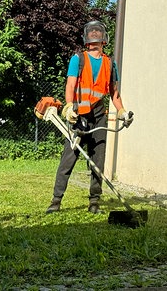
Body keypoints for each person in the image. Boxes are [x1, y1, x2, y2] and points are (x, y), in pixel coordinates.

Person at [46, 20, 133, 214]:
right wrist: (69, 107)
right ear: (88, 39)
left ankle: (94, 202)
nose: (95, 36)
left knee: (98, 161)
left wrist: (122, 111)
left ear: (102, 39)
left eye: (97, 33)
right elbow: (70, 85)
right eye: (92, 33)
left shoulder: (110, 64)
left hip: (99, 116)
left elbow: (114, 93)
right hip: (77, 116)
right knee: (68, 159)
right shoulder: (78, 59)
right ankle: (56, 201)